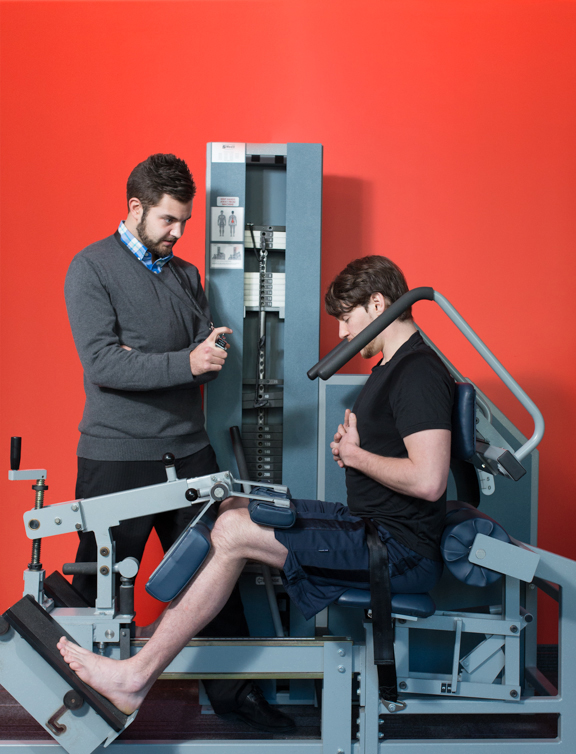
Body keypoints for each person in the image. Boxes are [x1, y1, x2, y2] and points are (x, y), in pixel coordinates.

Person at [58, 254, 455, 717]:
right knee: (229, 511)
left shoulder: (418, 371)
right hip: (367, 527)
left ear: (379, 303)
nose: (344, 334)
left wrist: (357, 456)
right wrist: (359, 450)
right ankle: (160, 636)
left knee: (232, 533)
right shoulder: (393, 367)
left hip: (396, 549)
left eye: (347, 320)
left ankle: (136, 675)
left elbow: (429, 481)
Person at [64, 153, 293, 731]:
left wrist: (205, 359)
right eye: (169, 220)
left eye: (184, 221)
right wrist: (184, 363)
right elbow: (103, 364)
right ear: (135, 208)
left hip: (189, 453)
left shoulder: (185, 273)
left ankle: (237, 699)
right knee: (98, 585)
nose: (178, 232)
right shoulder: (90, 268)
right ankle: (83, 703)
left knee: (219, 570)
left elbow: (198, 354)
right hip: (116, 454)